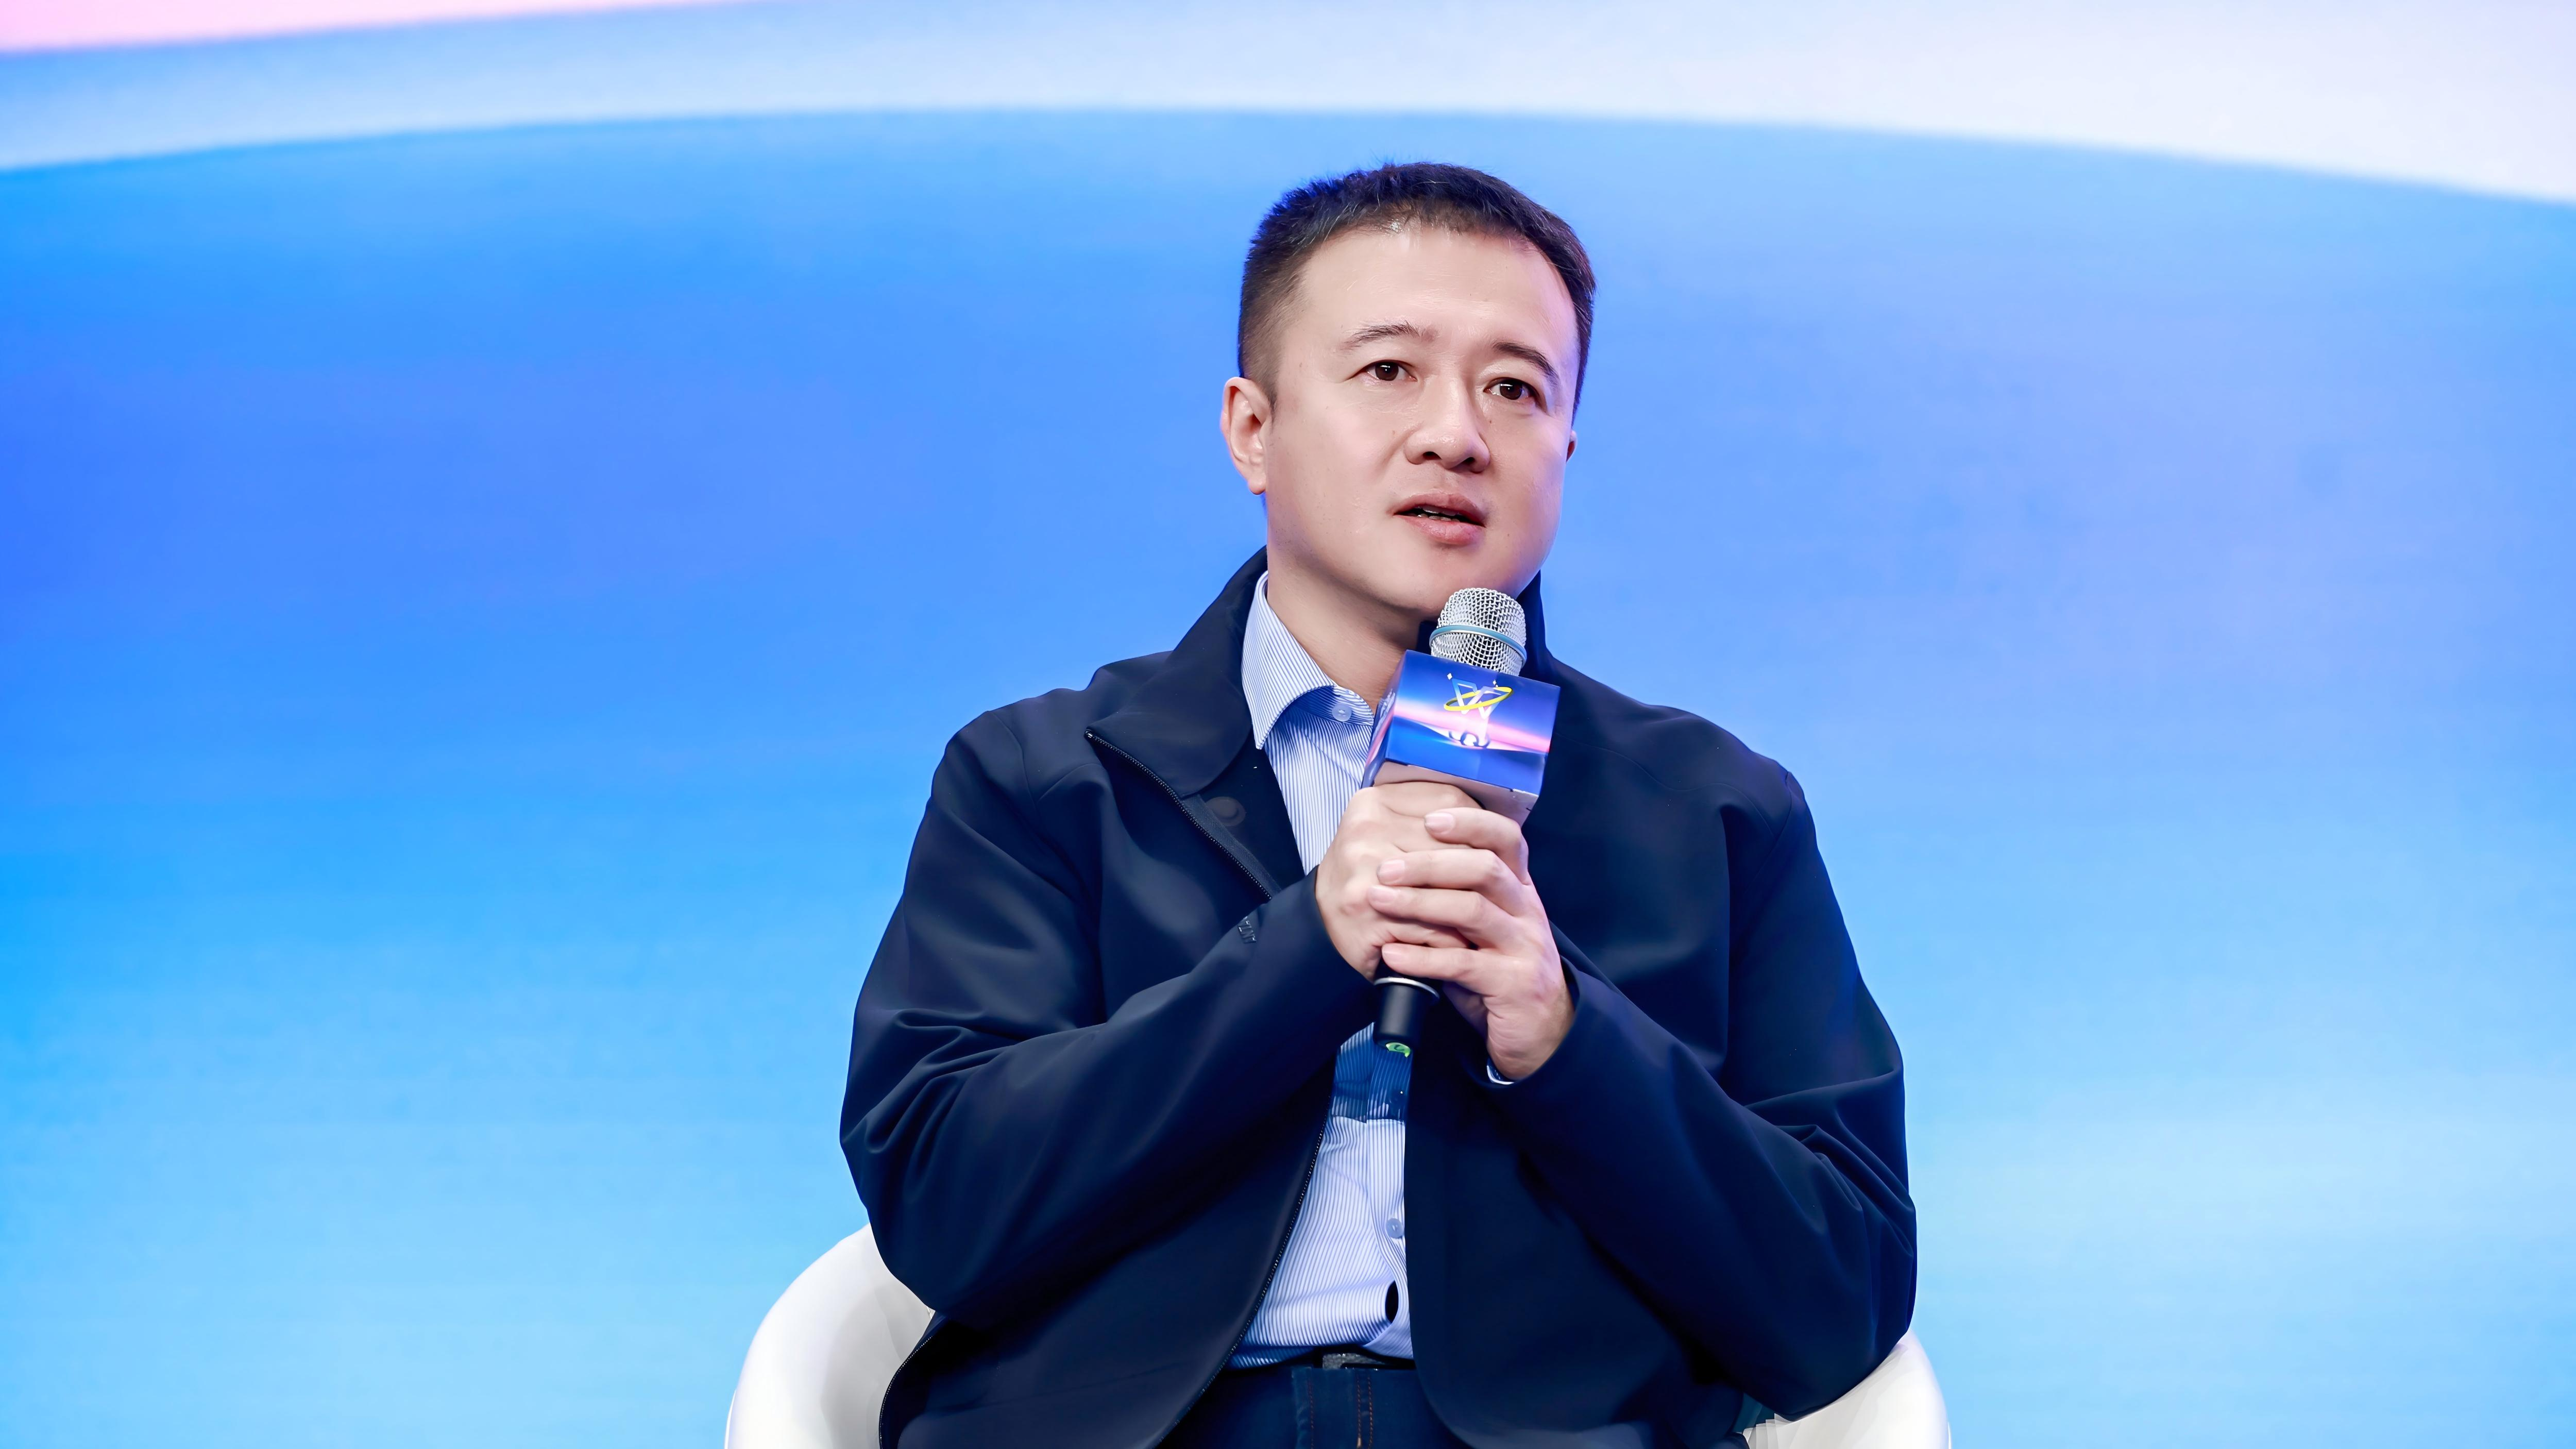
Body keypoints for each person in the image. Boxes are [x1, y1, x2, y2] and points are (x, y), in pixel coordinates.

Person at [842, 162, 1913, 1449]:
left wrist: (1567, 1041)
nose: (1456, 434)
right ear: (1252, 429)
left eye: (1515, 389)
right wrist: (1306, 952)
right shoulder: (1046, 778)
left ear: (1565, 449)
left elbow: (1837, 1301)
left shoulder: (1714, 813)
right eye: (1390, 370)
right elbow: (941, 1205)